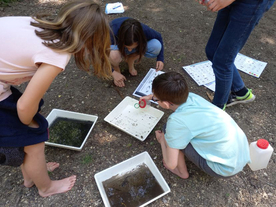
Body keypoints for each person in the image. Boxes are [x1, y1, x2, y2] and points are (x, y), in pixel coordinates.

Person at [0, 0, 111, 197]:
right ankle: (46, 187)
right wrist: (29, 126)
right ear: (90, 40)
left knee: (29, 130)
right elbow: (24, 107)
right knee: (34, 139)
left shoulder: (36, 23)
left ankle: (31, 177)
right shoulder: (58, 52)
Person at [141, 72, 251, 178]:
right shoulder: (192, 97)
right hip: (242, 154)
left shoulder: (176, 122)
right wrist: (151, 97)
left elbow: (170, 164)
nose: (154, 99)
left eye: (156, 99)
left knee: (167, 131)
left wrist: (162, 140)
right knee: (176, 134)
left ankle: (182, 173)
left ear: (165, 104)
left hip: (224, 169)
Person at [200, 0, 275, 109]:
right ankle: (240, 92)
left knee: (223, 61)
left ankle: (217, 109)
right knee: (212, 51)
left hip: (252, 4)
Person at [109, 17, 164, 87]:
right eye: (127, 47)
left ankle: (131, 59)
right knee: (113, 55)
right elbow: (98, 55)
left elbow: (159, 36)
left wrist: (160, 58)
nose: (129, 51)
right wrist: (113, 72)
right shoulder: (111, 31)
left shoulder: (145, 30)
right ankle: (116, 67)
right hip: (115, 47)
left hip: (125, 46)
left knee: (156, 45)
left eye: (133, 47)